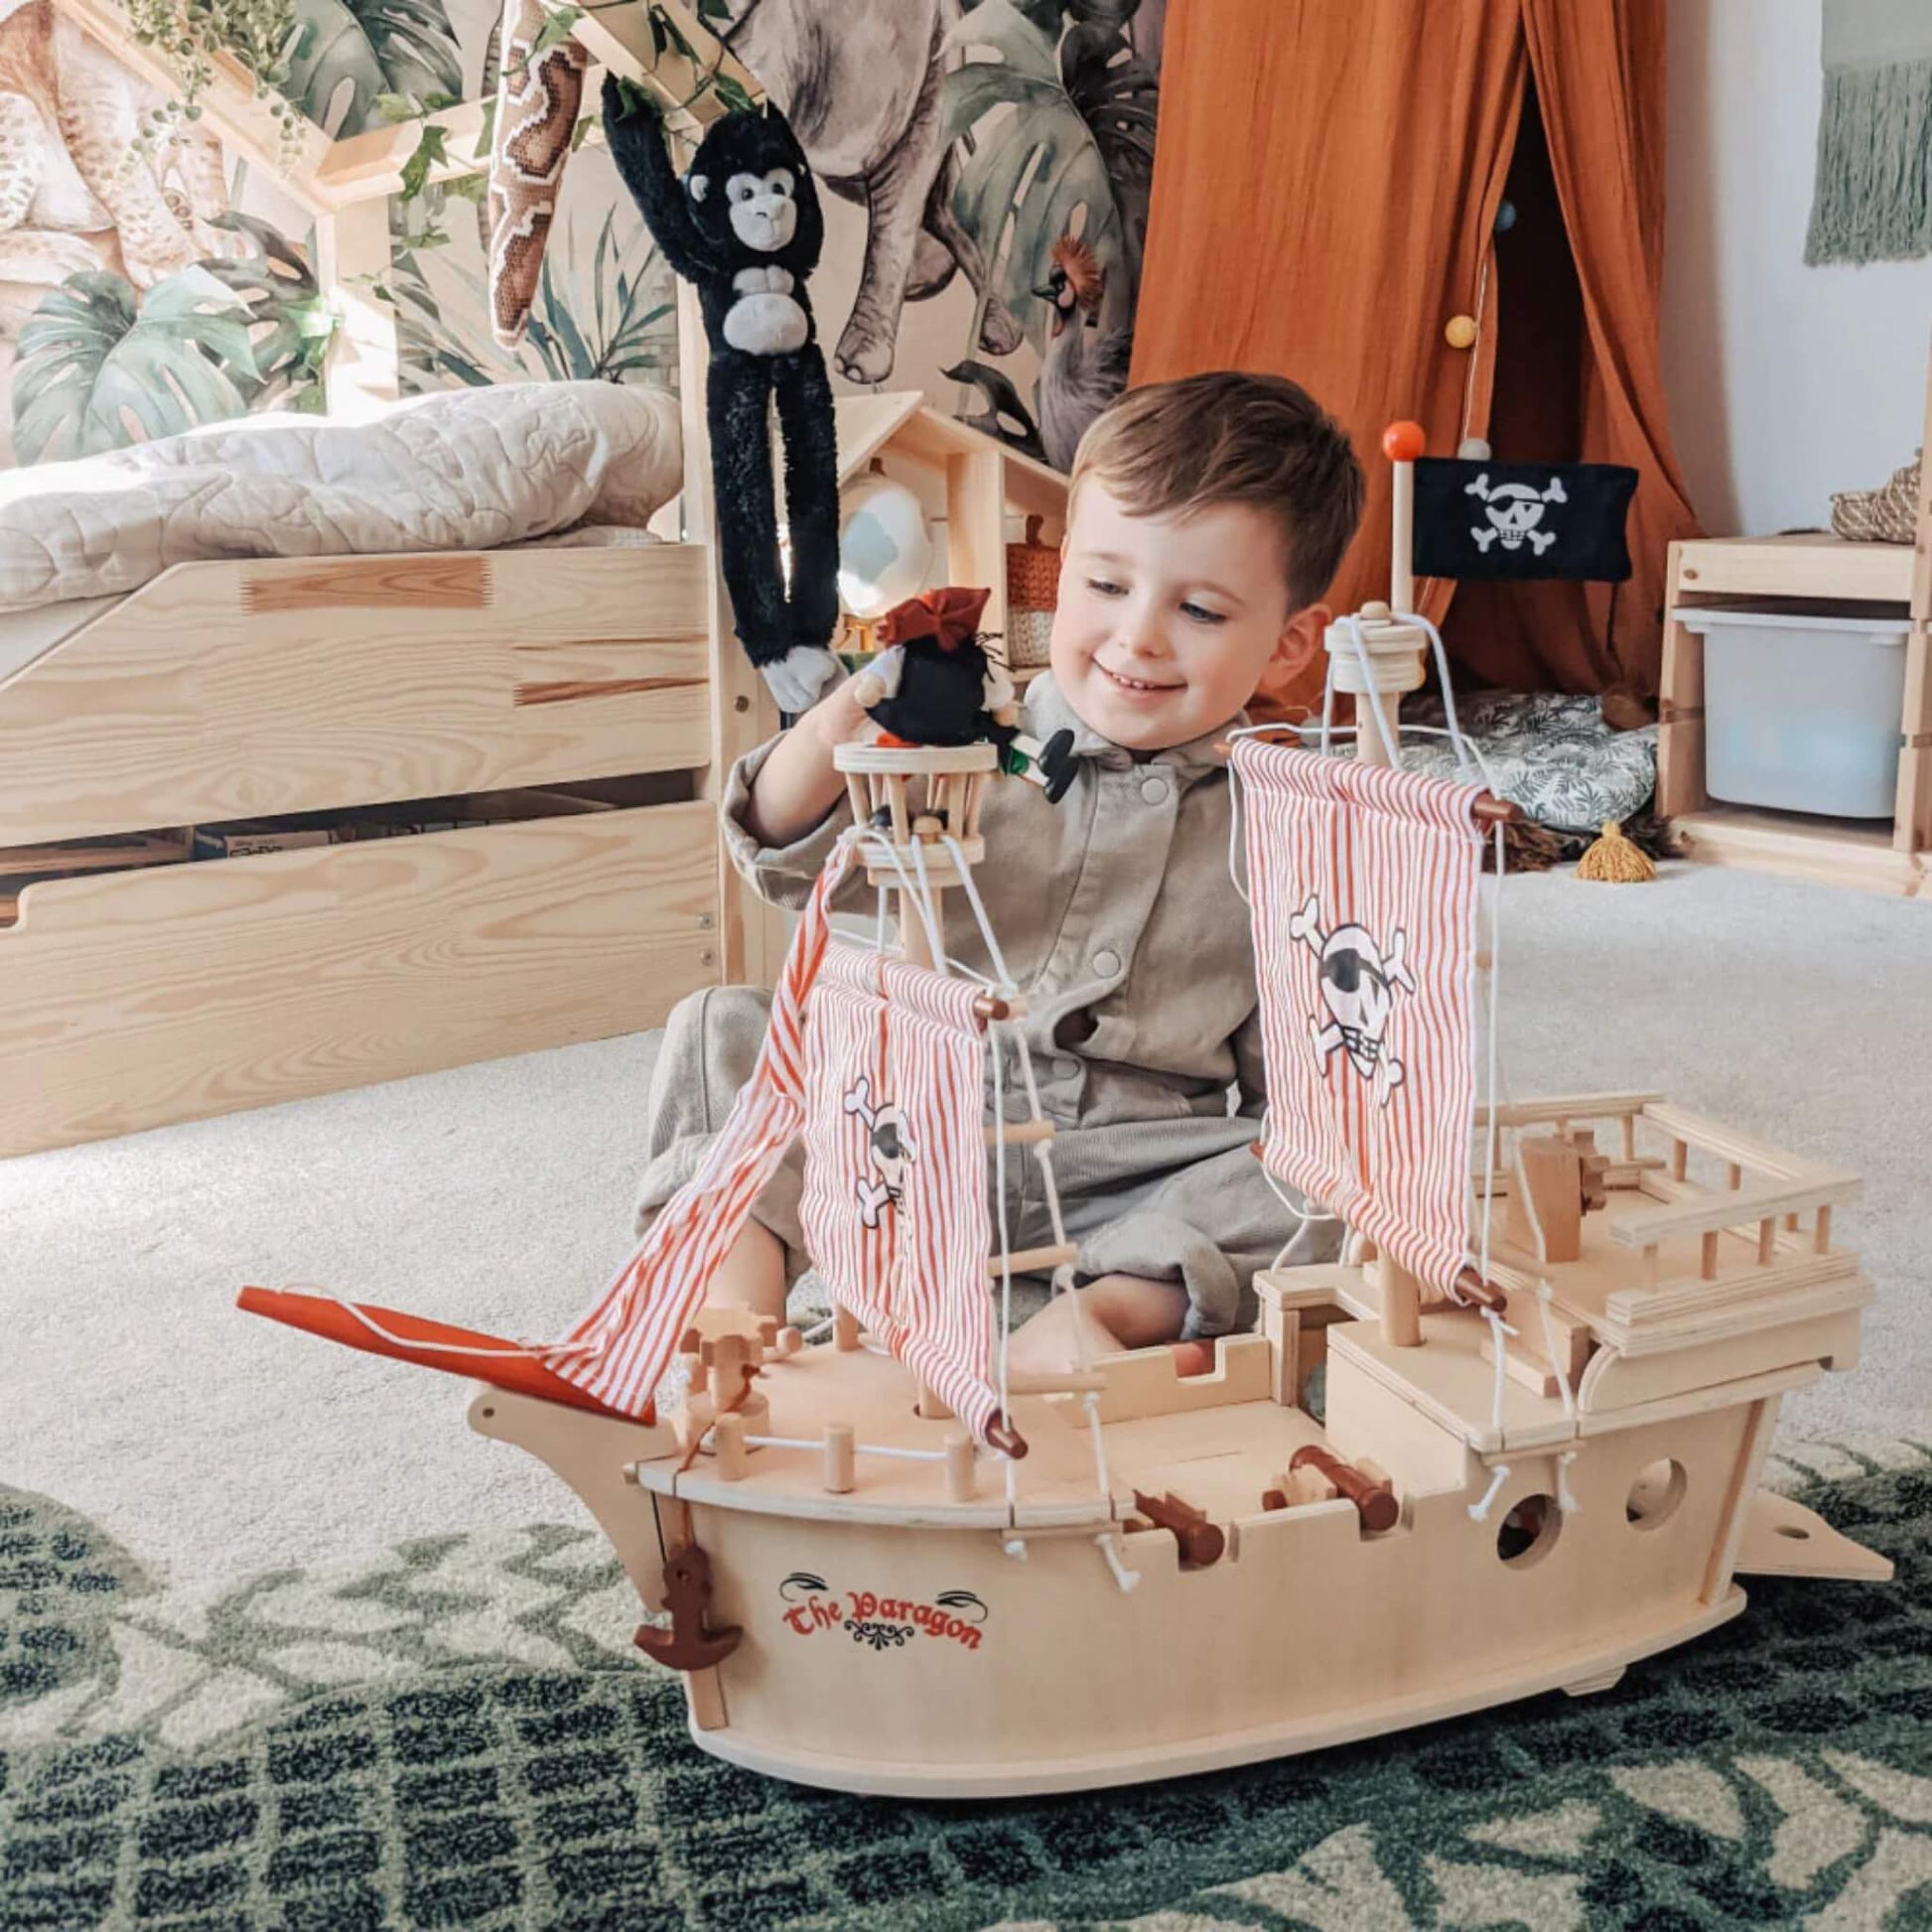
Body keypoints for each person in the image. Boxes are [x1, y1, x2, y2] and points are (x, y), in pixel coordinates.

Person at [633, 370, 1366, 1369]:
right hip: (914, 1125)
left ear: (1286, 645)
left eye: (1197, 608)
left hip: (1128, 1168)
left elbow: (1288, 1092)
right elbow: (775, 839)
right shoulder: (971, 747)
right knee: (721, 1027)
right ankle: (732, 1294)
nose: (1136, 635)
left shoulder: (1284, 831)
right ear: (1062, 576)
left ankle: (1105, 1314)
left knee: (1343, 1166)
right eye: (1105, 585)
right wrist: (848, 713)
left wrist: (1316, 1144)